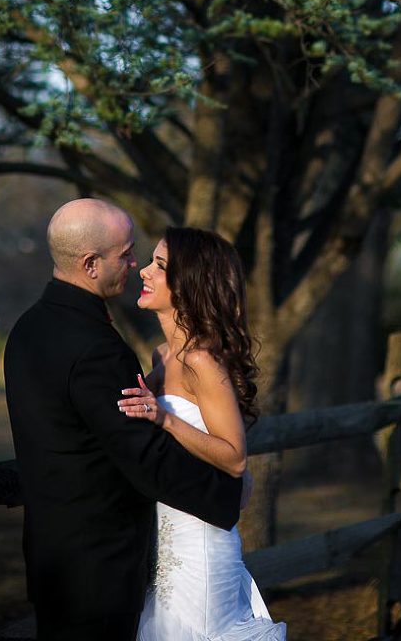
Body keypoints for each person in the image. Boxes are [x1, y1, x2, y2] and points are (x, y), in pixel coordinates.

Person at [4, 199, 243, 641]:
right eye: (128, 254)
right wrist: (226, 499)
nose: (137, 266)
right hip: (100, 564)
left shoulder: (27, 329)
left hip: (52, 554)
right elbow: (142, 455)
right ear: (91, 264)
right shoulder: (96, 346)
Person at [118, 225, 286, 640]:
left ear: (189, 283)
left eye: (159, 265)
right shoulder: (163, 355)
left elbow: (234, 457)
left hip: (201, 548)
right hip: (164, 542)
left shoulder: (202, 359)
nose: (143, 271)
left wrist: (165, 419)